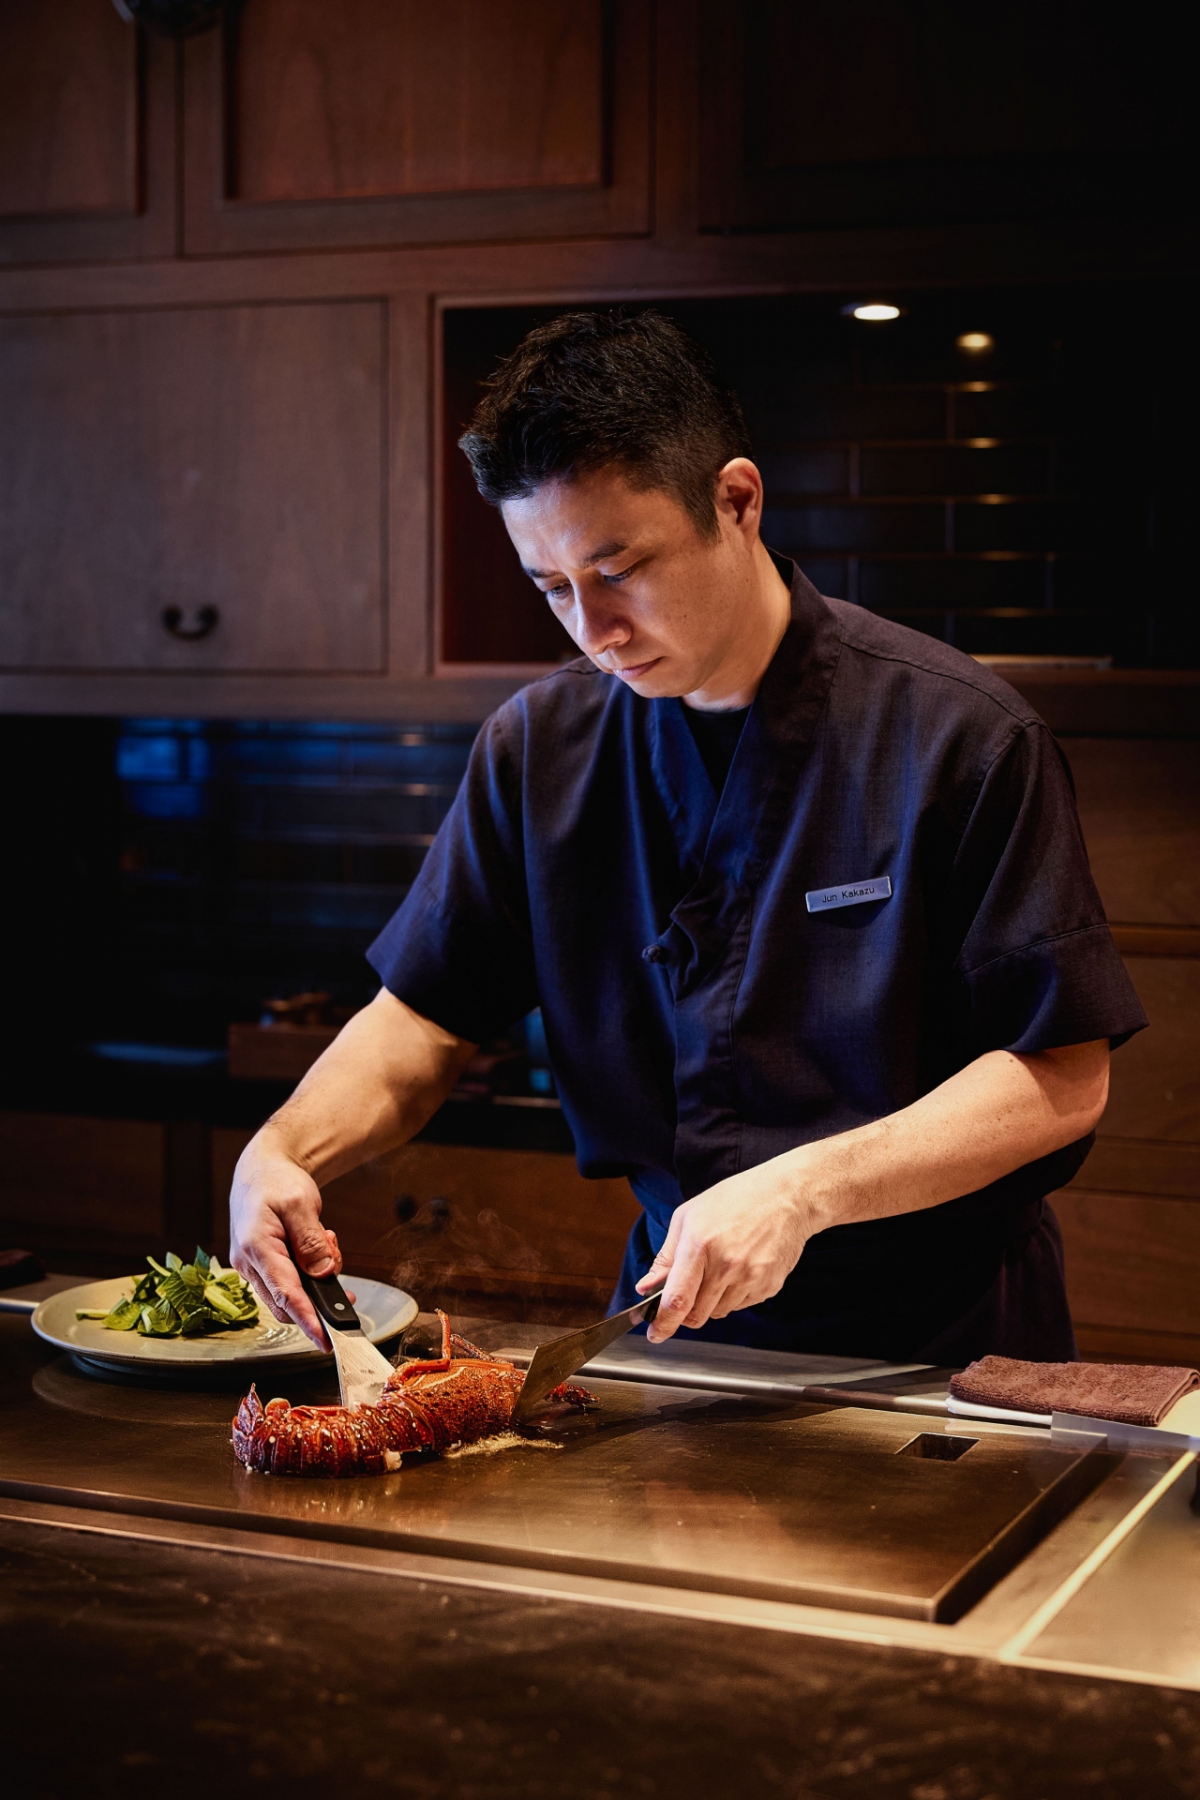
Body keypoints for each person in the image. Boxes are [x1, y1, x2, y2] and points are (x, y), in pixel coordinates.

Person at [231, 309, 1145, 1362]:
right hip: (679, 1329)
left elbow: (1061, 1074)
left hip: (948, 1339)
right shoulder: (538, 749)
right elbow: (424, 1020)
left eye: (620, 568)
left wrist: (805, 1189)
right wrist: (282, 1149)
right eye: (553, 588)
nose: (594, 630)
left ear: (737, 501)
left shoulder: (963, 738)